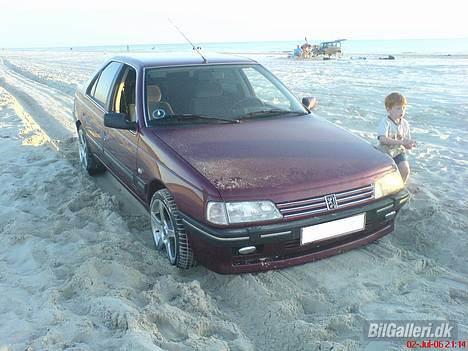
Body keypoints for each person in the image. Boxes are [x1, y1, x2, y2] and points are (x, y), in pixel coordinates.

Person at [377, 92, 416, 183]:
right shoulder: (385, 122)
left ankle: (401, 186)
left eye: (403, 108)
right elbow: (382, 139)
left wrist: (409, 145)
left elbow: (405, 142)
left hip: (398, 152)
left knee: (405, 169)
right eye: (398, 108)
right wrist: (401, 142)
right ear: (388, 109)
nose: (402, 111)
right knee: (382, 174)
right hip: (384, 152)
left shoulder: (405, 124)